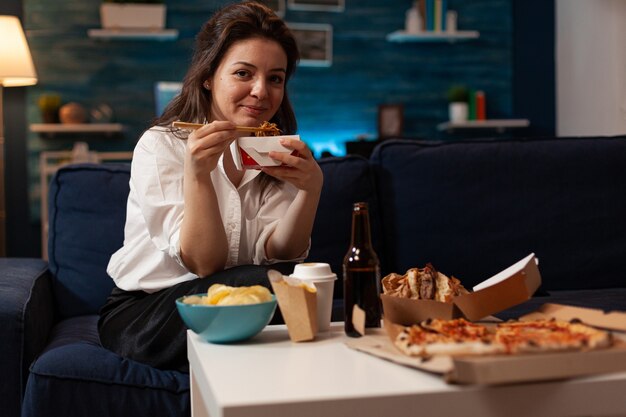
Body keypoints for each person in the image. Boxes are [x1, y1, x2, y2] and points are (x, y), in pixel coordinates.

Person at [98, 1, 323, 373]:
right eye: (243, 73)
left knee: (310, 287)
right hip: (149, 313)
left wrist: (310, 190)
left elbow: (280, 251)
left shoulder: (270, 148)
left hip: (241, 298)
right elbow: (206, 263)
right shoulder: (161, 146)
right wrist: (199, 175)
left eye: (275, 78)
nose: (260, 91)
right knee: (275, 288)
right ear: (208, 75)